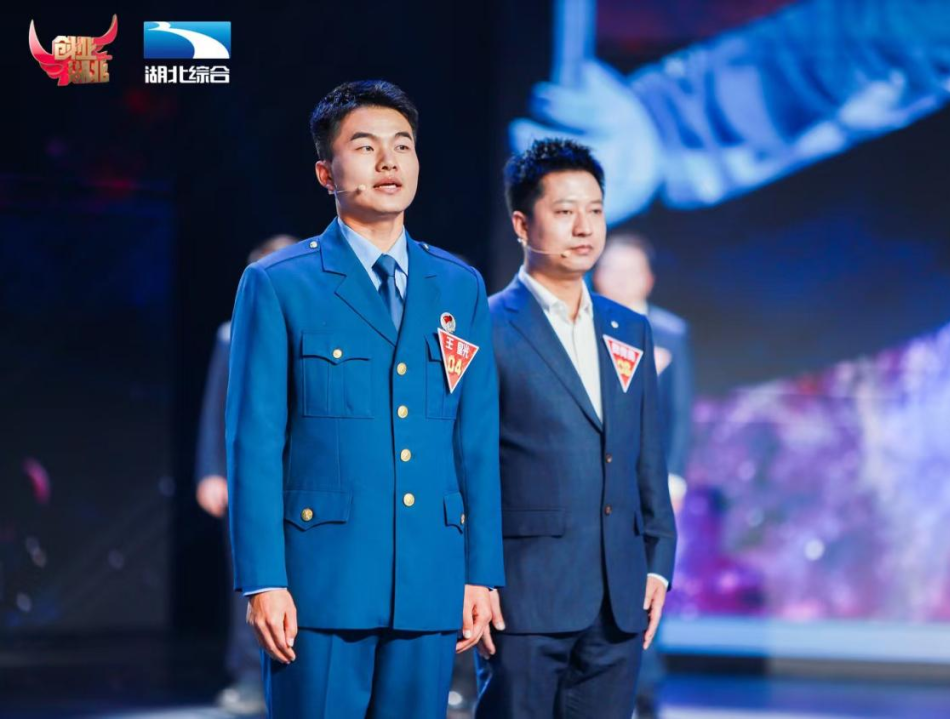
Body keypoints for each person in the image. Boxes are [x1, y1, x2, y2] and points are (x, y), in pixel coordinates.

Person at [225, 80, 503, 718]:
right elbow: (254, 443)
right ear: (326, 172)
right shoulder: (280, 284)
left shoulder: (458, 286)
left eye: (402, 146)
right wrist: (264, 579)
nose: (388, 161)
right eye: (366, 146)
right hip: (320, 585)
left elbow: (476, 442)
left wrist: (481, 571)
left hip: (430, 581)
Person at [476, 138, 676, 718]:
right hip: (523, 599)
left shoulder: (628, 328)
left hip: (618, 601)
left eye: (595, 210)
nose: (584, 227)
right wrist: (474, 577)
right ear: (522, 224)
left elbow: (646, 455)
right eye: (565, 211)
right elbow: (467, 464)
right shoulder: (485, 325)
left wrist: (658, 560)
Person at [195, 233, 297, 715]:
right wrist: (210, 472)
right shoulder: (234, 331)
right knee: (250, 579)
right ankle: (248, 674)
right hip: (248, 478)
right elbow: (218, 406)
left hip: (301, 481)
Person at [592, 233, 693, 718]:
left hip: (648, 481)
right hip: (597, 479)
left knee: (652, 574)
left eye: (631, 271)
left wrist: (674, 477)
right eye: (613, 269)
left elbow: (680, 410)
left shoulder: (668, 332)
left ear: (648, 279)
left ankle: (647, 683)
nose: (621, 279)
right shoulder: (584, 326)